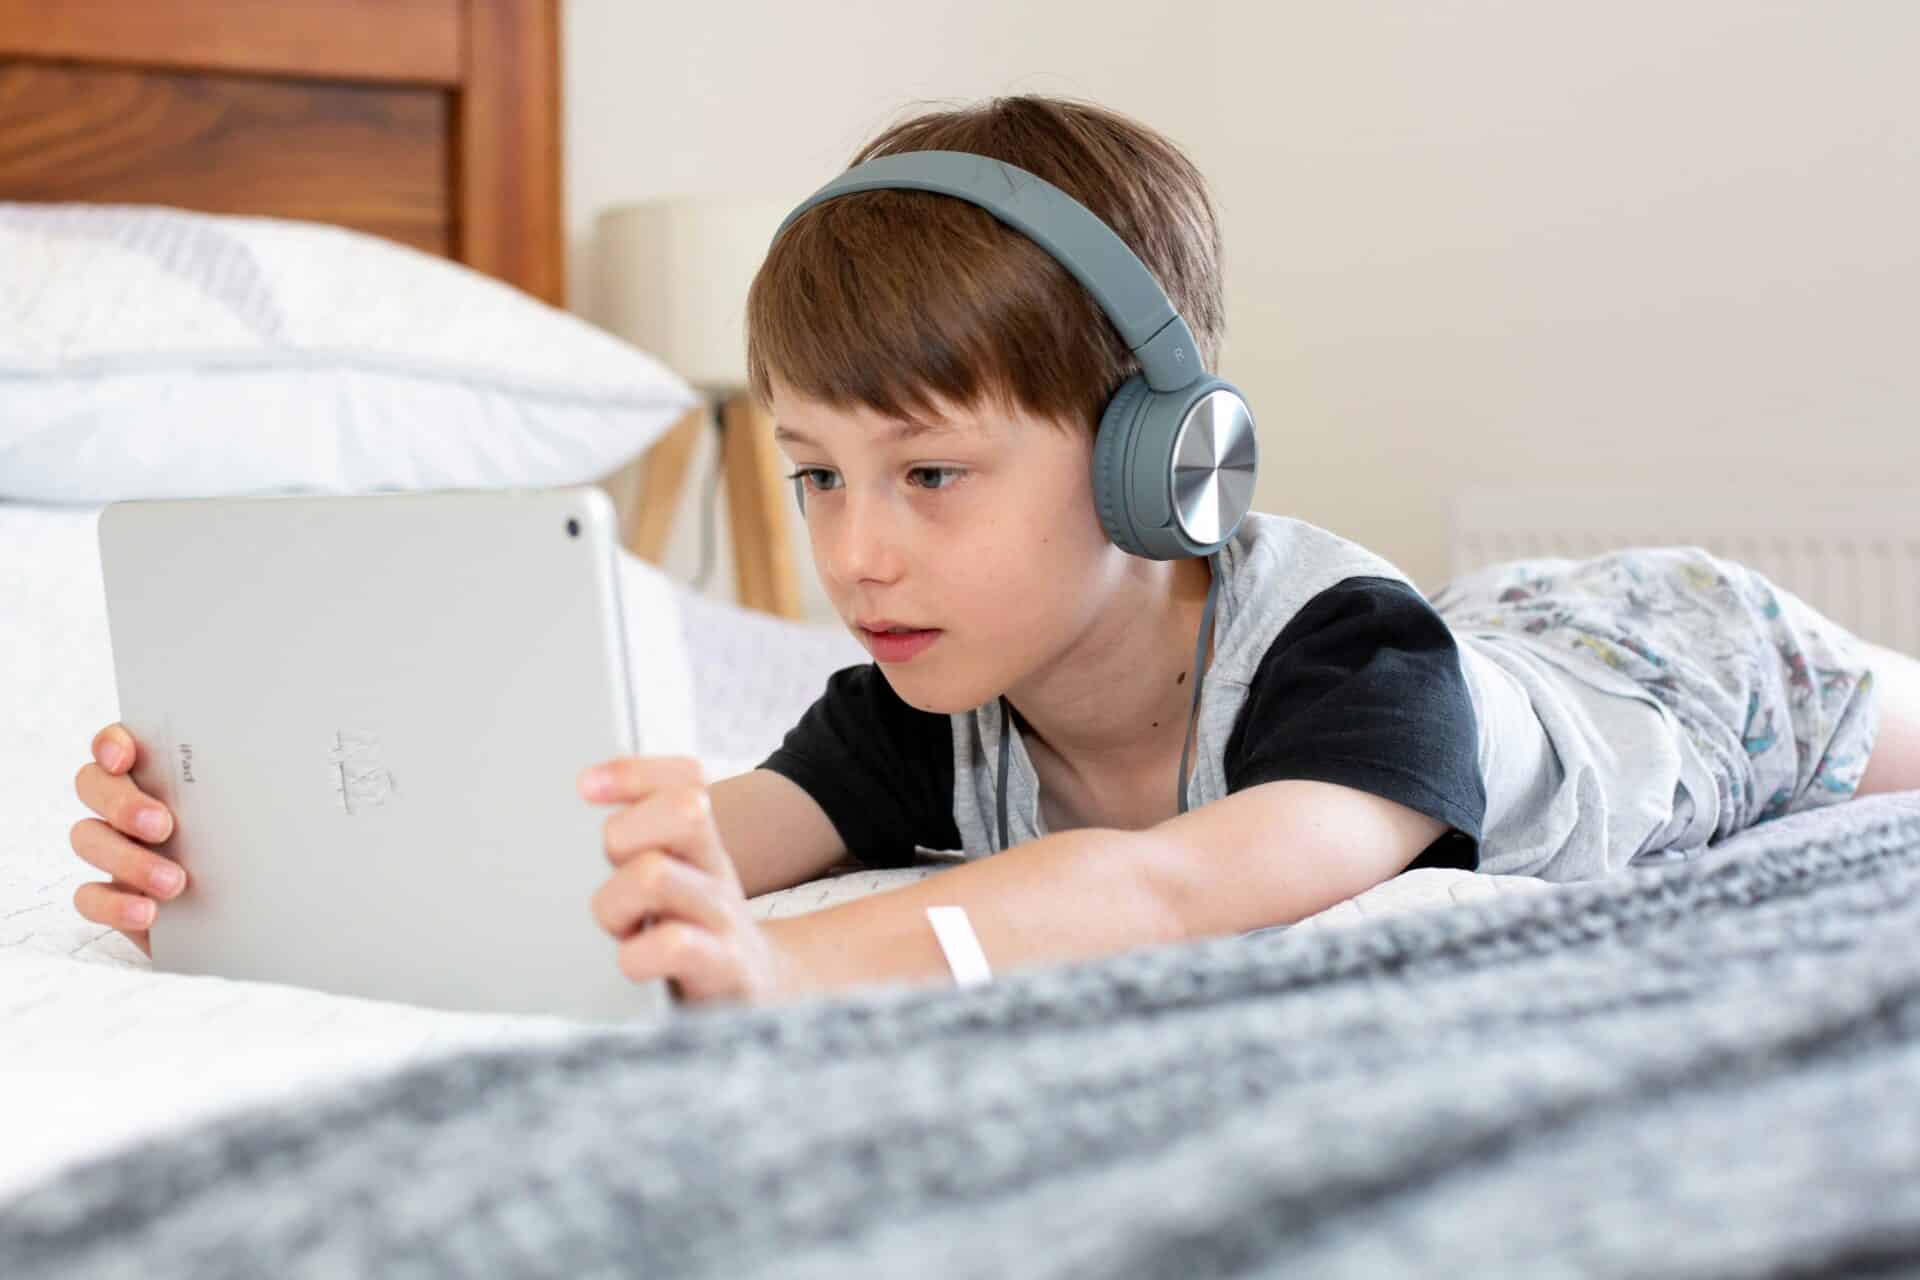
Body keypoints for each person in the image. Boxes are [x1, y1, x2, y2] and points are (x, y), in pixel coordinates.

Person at [69, 96, 1920, 1008]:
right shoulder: (909, 699)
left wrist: (791, 971)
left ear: (1155, 467)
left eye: (931, 475)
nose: (854, 553)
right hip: (1509, 646)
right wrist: (274, 876)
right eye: (810, 476)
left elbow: (1164, 893)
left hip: (1681, 670)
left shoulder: (1358, 669)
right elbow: (661, 855)